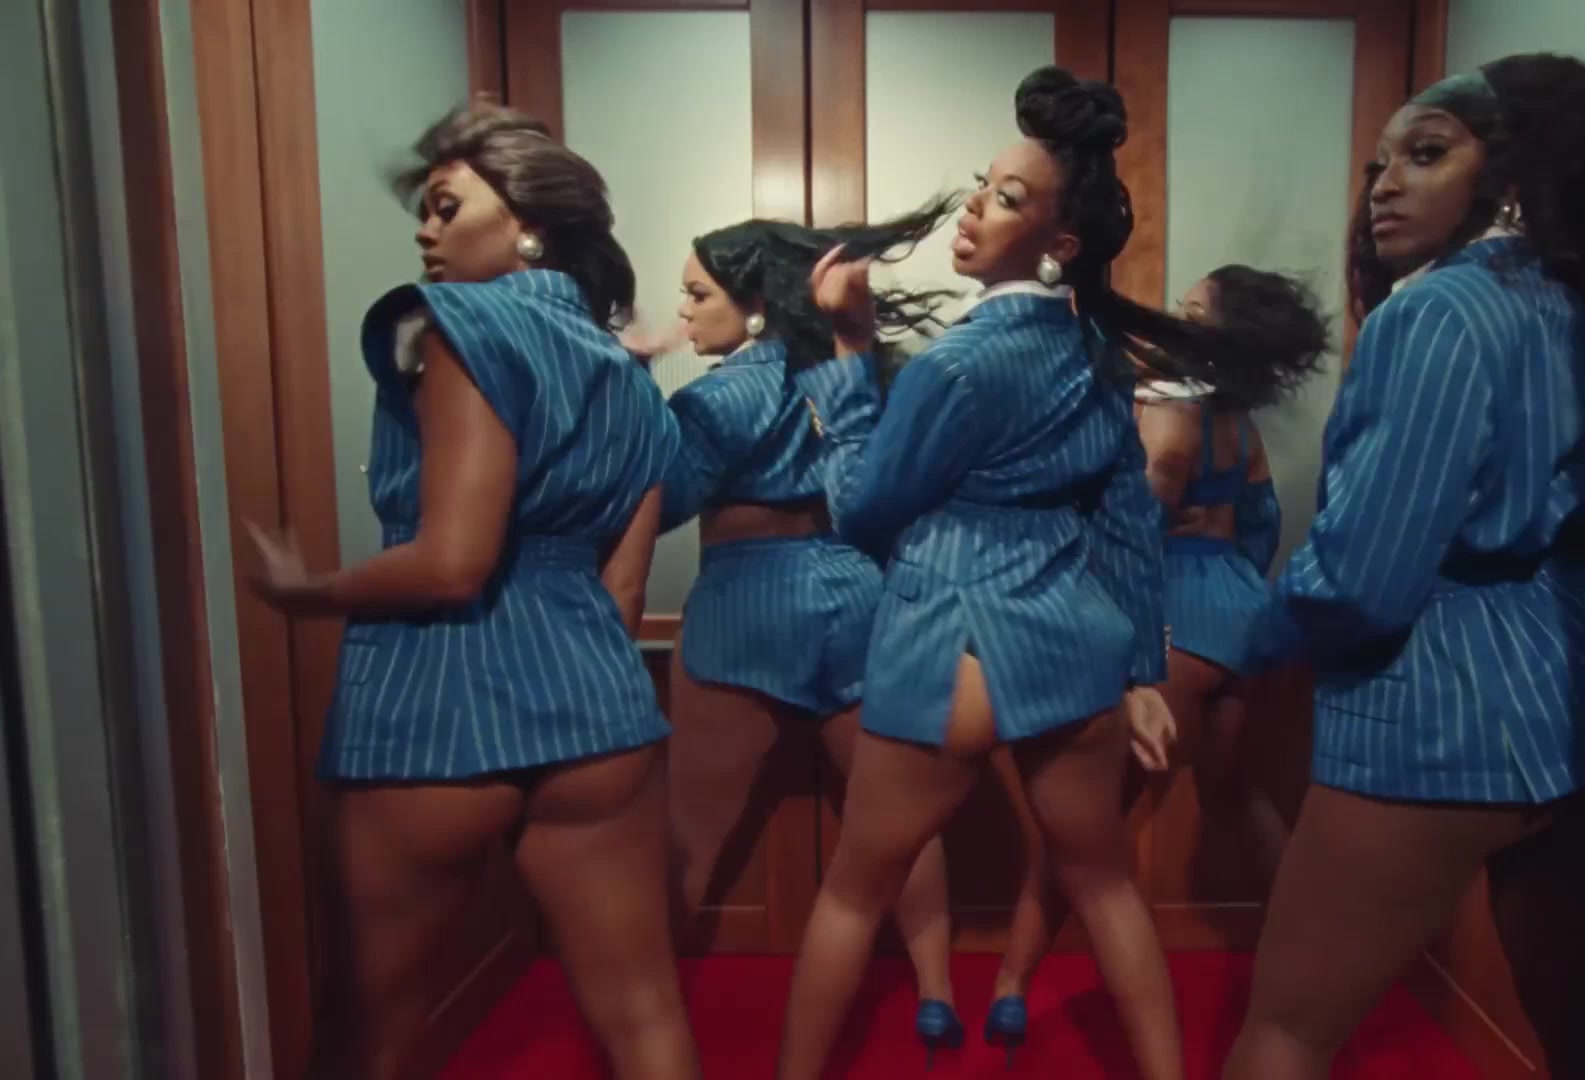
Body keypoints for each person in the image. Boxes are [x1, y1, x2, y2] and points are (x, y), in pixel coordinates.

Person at [775, 66, 1286, 1080]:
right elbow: (1127, 514)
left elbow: (865, 508)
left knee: (853, 892)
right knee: (1106, 888)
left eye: (1006, 197)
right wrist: (1140, 670)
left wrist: (846, 353)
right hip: (1071, 639)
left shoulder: (954, 364)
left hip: (947, 632)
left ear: (1060, 244)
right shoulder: (1099, 356)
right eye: (982, 184)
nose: (973, 207)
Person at [1222, 54, 1585, 1080]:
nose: (1386, 185)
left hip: (1435, 708)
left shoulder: (1436, 312)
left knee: (1288, 1033)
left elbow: (1366, 577)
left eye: (1427, 153)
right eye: (1379, 165)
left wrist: (1257, 636)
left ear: (1512, 173)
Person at [244, 104, 698, 1080]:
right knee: (645, 1014)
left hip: (437, 698)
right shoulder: (631, 378)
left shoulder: (464, 326)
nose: (425, 231)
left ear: (529, 224)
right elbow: (623, 591)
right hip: (596, 705)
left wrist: (307, 589)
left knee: (373, 1033)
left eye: (446, 207)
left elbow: (454, 563)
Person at [658, 203, 970, 1061]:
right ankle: (937, 992)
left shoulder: (715, 398)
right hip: (855, 592)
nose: (684, 310)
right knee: (894, 818)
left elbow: (664, 502)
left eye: (697, 294)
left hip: (746, 608)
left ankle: (650, 1002)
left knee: (691, 830)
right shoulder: (858, 375)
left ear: (754, 305)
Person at [990, 265, 1329, 1025]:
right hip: (1247, 618)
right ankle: (1310, 968)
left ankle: (1011, 987)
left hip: (1177, 615)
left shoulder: (1170, 411)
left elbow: (1138, 523)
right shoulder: (1240, 423)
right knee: (1242, 797)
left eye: (1190, 307)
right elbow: (1262, 528)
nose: (1173, 314)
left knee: (1084, 824)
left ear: (1215, 329)